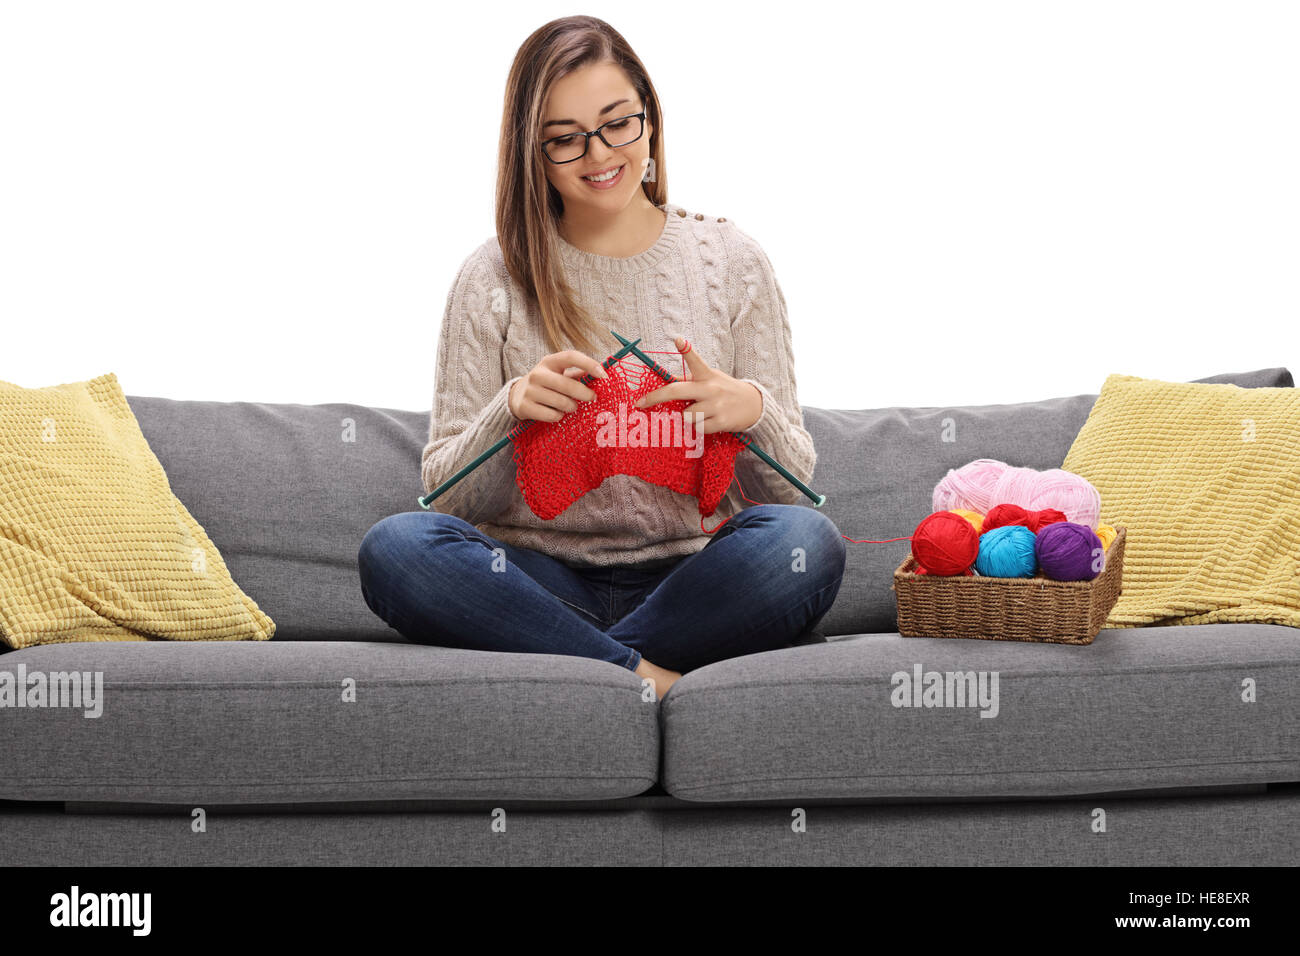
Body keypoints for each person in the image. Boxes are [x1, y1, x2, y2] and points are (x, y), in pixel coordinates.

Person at [358, 15, 846, 699]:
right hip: (536, 579)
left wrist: (750, 411)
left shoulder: (731, 262)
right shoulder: (493, 276)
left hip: (694, 581)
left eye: (618, 123)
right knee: (395, 550)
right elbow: (442, 498)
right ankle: (642, 680)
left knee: (805, 545)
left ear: (650, 119)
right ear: (532, 151)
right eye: (565, 139)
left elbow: (796, 494)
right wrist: (510, 414)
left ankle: (579, 672)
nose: (599, 154)